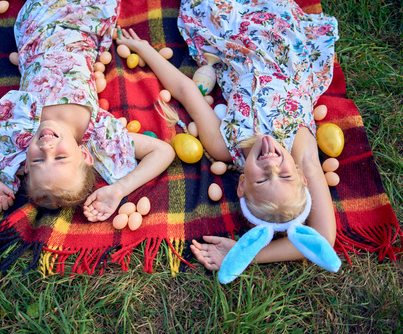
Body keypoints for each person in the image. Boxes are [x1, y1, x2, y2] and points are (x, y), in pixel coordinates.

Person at [116, 0, 340, 281]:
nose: (272, 165)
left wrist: (147, 51)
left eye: (262, 180)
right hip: (286, 42)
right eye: (284, 175)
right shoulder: (300, 149)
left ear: (242, 185)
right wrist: (247, 254)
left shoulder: (225, 146)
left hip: (240, 44)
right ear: (302, 176)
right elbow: (324, 238)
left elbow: (187, 91)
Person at [0, 0, 175, 221]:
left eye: (38, 162)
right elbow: (163, 152)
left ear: (25, 164)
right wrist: (119, 189)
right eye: (60, 157)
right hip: (84, 20)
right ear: (85, 155)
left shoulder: (18, 132)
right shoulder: (99, 136)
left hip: (39, 22)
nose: (47, 148)